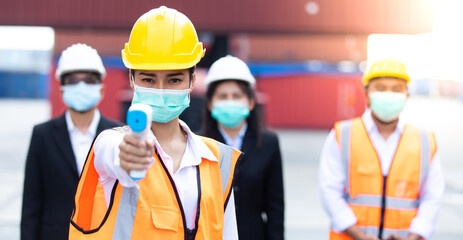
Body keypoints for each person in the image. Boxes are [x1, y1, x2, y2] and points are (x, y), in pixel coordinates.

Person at [69, 6, 242, 240]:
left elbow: (228, 234)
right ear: (131, 79)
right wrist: (129, 158)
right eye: (148, 78)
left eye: (174, 79)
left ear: (192, 80)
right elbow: (116, 158)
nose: (160, 90)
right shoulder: (110, 143)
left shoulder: (218, 159)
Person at [319, 58, 445, 240]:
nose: (388, 94)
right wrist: (359, 236)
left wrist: (414, 236)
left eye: (396, 89)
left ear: (406, 95)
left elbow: (432, 197)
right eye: (380, 88)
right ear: (366, 94)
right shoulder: (342, 135)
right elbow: (329, 192)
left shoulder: (425, 141)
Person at [21, 43, 121, 240]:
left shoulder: (118, 134)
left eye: (89, 80)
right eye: (73, 81)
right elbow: (31, 204)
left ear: (101, 90)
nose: (81, 86)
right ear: (62, 91)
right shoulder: (42, 135)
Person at [202, 55, 285, 240]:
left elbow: (275, 208)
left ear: (251, 102)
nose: (230, 101)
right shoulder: (197, 142)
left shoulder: (269, 143)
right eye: (222, 96)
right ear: (209, 103)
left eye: (237, 96)